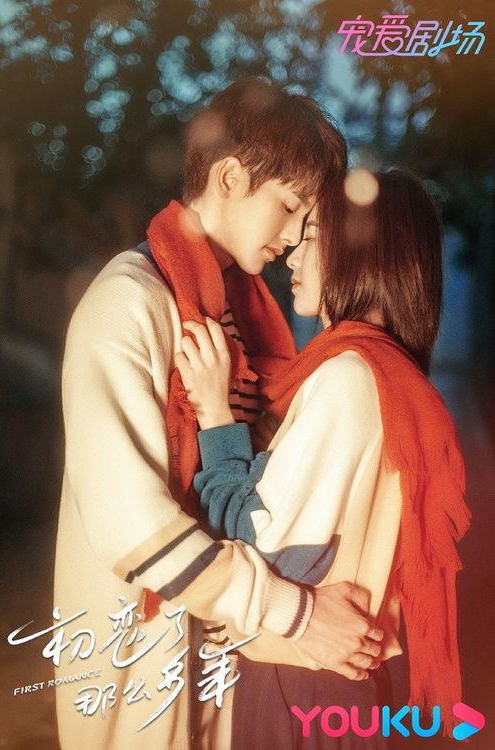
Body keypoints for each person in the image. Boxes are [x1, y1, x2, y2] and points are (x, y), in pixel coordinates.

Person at [54, 79, 385, 750]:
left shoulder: (235, 310)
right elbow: (129, 523)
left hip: (220, 644)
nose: (294, 237)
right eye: (288, 206)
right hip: (138, 645)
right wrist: (295, 612)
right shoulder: (129, 301)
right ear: (230, 178)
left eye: (306, 219)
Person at [177, 168, 471, 748]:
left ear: (361, 253)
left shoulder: (347, 378)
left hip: (297, 685)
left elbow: (260, 547)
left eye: (311, 236)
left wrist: (214, 417)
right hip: (334, 687)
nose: (293, 253)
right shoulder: (384, 374)